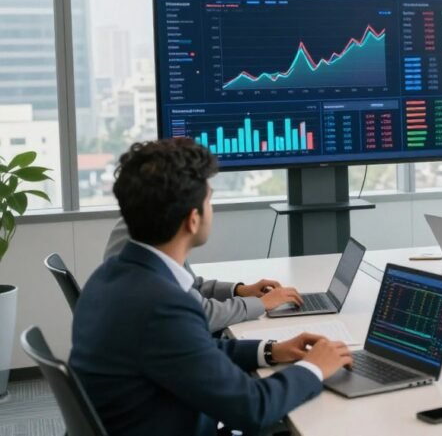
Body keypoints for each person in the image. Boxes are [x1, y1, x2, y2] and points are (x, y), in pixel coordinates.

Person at [71, 139, 353, 436]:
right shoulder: (162, 305)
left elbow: (194, 349)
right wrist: (314, 368)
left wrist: (271, 350)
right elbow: (252, 408)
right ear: (193, 220)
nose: (211, 209)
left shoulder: (107, 277)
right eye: (209, 200)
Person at [105, 218, 303, 332]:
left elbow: (191, 285)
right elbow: (201, 314)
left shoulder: (148, 226)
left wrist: (240, 290)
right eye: (206, 200)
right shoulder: (148, 237)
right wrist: (261, 304)